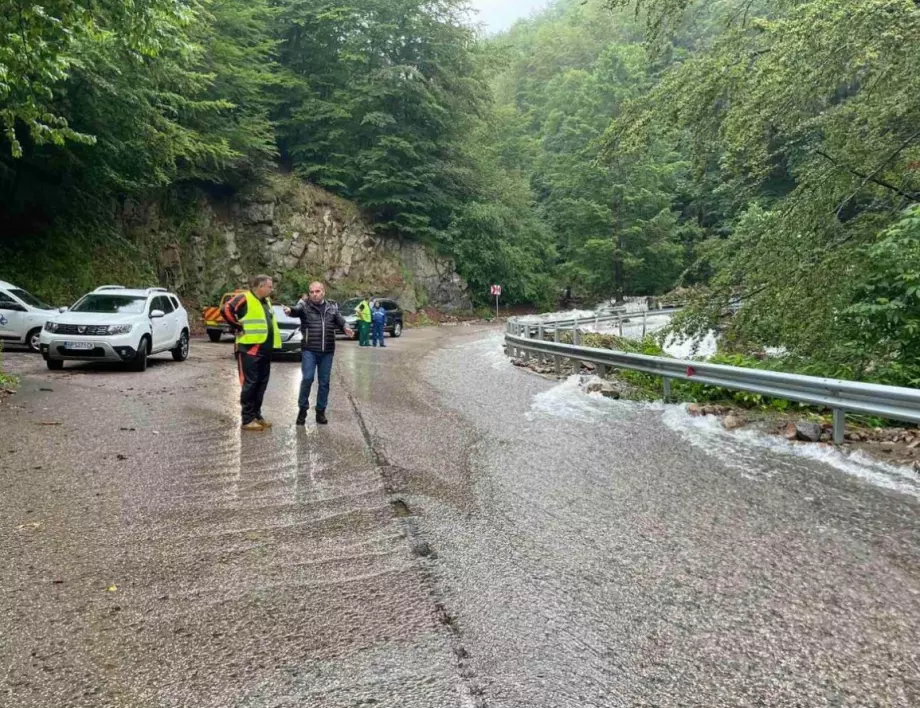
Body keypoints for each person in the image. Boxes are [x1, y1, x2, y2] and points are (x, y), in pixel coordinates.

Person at [284, 282, 354, 426]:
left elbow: (341, 321)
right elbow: (296, 310)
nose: (314, 294)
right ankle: (302, 410)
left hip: (327, 352)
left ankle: (320, 411)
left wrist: (346, 327)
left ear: (323, 292)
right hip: (309, 350)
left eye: (317, 291)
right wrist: (290, 310)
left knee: (324, 383)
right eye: (311, 292)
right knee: (308, 378)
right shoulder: (305, 306)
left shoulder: (332, 308)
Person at [222, 274, 282, 431]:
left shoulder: (266, 302)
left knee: (261, 384)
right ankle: (247, 419)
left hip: (265, 350)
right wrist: (237, 326)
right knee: (250, 384)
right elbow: (226, 309)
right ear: (260, 286)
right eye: (269, 286)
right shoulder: (245, 298)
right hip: (250, 349)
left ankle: (257, 415)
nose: (271, 289)